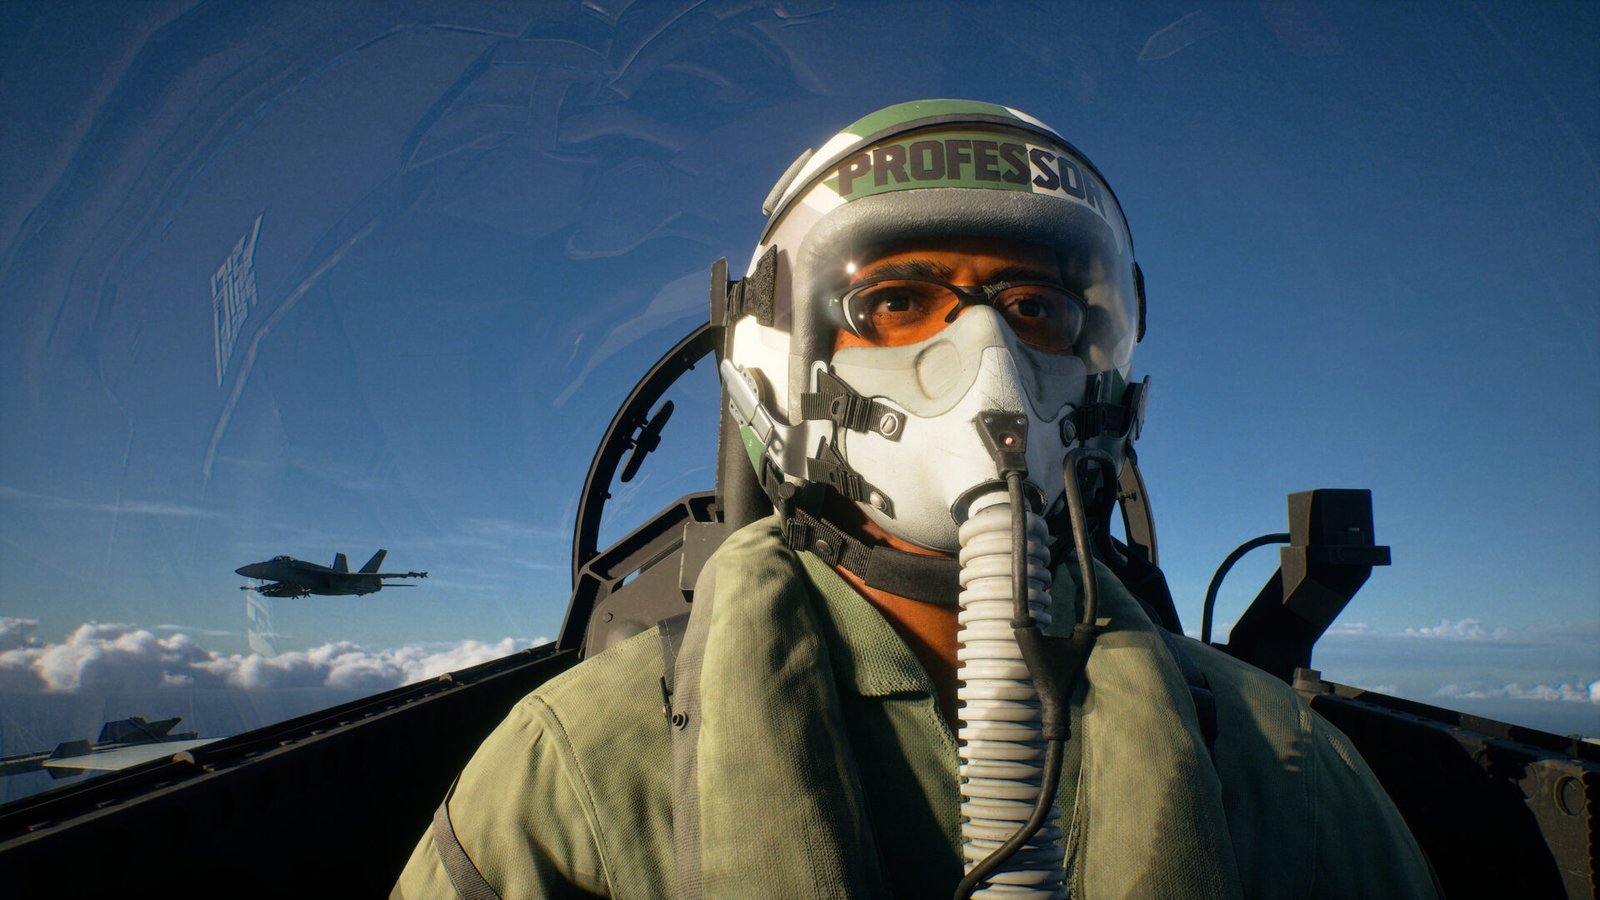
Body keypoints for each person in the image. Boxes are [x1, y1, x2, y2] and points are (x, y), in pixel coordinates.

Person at [394, 100, 1439, 899]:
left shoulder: (1284, 768)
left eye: (1034, 307)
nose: (984, 355)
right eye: (894, 301)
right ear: (777, 357)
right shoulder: (572, 769)